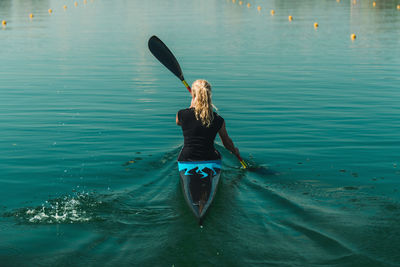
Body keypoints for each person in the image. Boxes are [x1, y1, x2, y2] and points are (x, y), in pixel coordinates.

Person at [176, 79, 242, 162]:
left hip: (186, 158)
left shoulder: (182, 114)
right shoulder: (218, 120)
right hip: (210, 158)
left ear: (193, 94)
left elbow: (179, 123)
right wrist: (234, 151)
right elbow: (226, 142)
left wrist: (191, 107)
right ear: (209, 94)